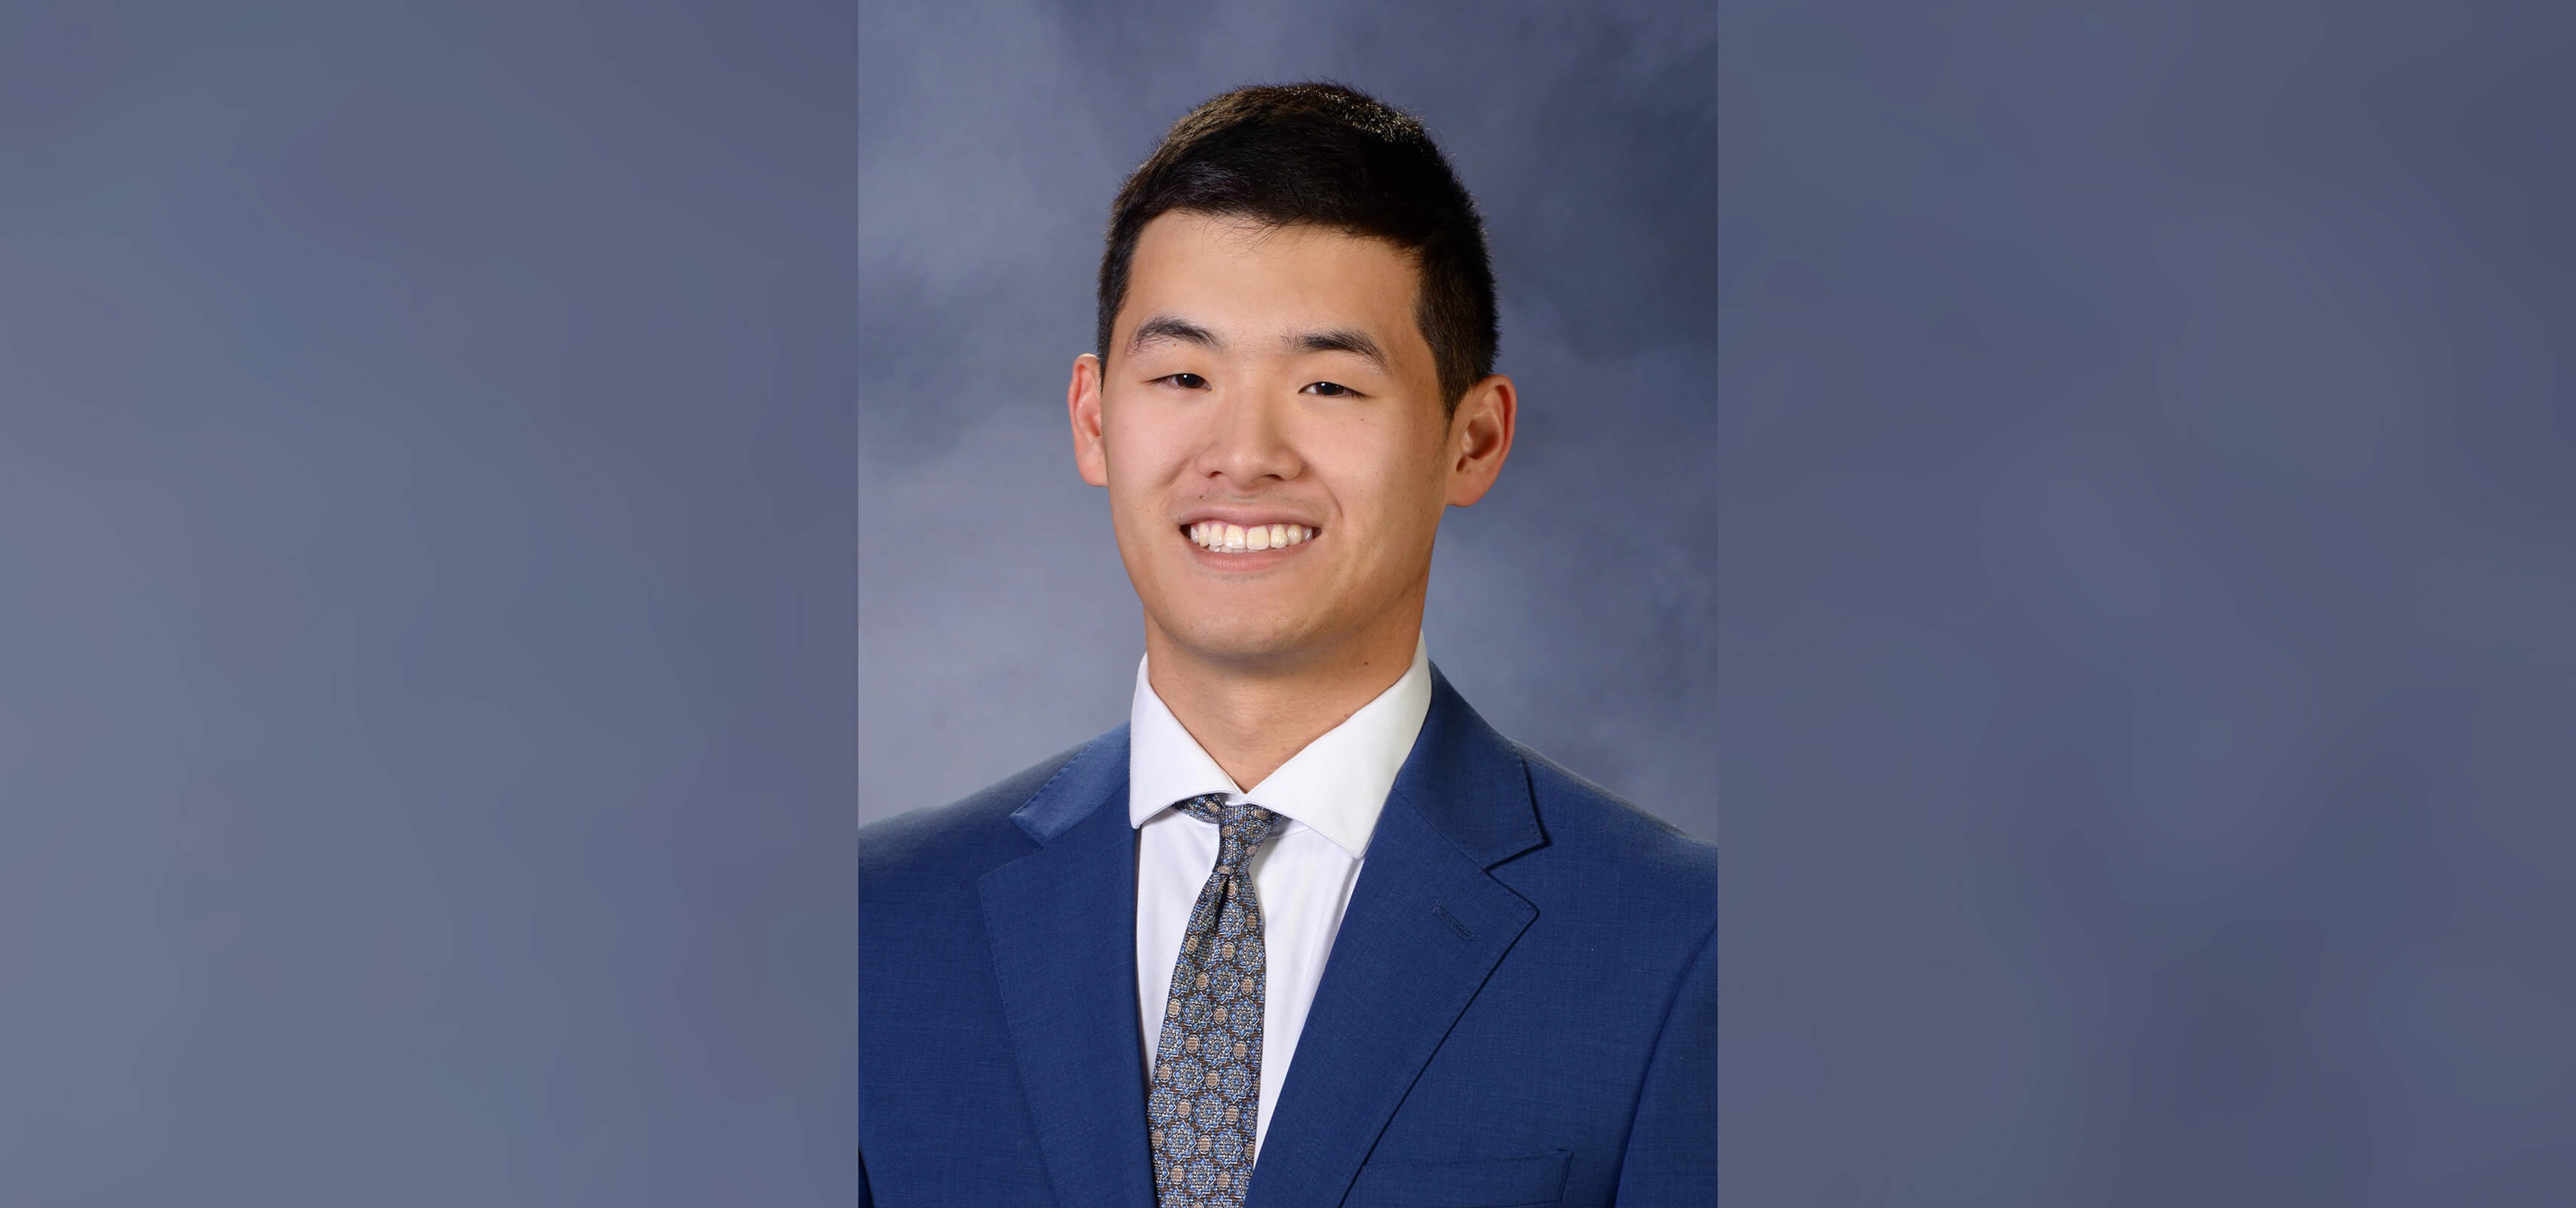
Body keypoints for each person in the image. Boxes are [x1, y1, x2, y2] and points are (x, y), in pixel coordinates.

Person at [858, 82, 1715, 1207]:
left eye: (1326, 383)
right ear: (1093, 419)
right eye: (1182, 377)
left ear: (1474, 438)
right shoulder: (875, 929)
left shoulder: (1684, 949)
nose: (1246, 452)